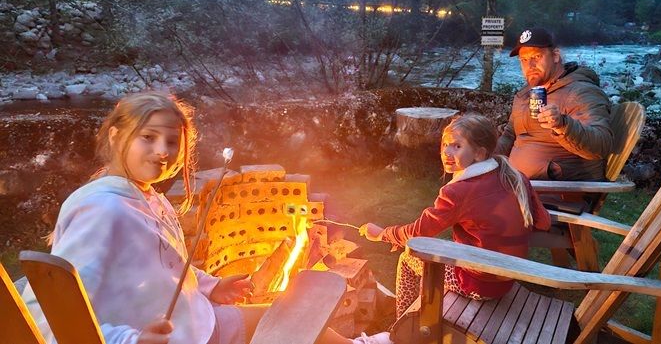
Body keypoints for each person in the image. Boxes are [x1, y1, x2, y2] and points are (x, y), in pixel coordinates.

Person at [19, 92, 400, 344]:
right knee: (289, 325)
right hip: (176, 338)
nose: (162, 151)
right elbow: (48, 310)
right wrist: (130, 341)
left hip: (199, 324)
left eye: (172, 141)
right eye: (148, 137)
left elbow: (164, 263)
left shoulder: (145, 196)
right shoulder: (102, 210)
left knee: (290, 318)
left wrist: (210, 286)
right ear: (117, 136)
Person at [360, 113, 551, 322]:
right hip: (508, 277)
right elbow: (544, 221)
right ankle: (419, 311)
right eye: (445, 145)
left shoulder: (459, 192)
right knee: (438, 246)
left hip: (481, 284)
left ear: (479, 153)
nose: (446, 153)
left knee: (408, 258)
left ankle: (406, 325)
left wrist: (382, 234)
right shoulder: (514, 175)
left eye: (457, 146)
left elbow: (418, 234)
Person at [496, 27, 613, 181]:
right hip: (518, 186)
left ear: (556, 56)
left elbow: (601, 145)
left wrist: (562, 125)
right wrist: (481, 154)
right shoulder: (525, 94)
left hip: (557, 194)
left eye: (536, 57)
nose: (529, 66)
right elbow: (509, 135)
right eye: (524, 60)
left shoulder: (580, 92)